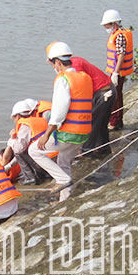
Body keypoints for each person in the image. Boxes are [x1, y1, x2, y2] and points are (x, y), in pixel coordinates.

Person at [29, 42, 93, 201]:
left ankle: (62, 180)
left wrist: (47, 134)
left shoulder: (63, 79)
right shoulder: (84, 77)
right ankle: (64, 200)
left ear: (57, 62)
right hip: (84, 133)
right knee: (63, 161)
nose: (53, 67)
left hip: (68, 134)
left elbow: (59, 111)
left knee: (34, 150)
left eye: (52, 64)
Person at [70, 54, 115, 156]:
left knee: (92, 122)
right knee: (101, 124)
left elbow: (81, 88)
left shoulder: (75, 68)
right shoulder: (76, 60)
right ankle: (104, 148)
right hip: (108, 90)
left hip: (104, 94)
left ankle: (86, 151)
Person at [1, 100, 53, 186]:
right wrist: (9, 166)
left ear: (17, 116)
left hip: (43, 162)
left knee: (18, 151)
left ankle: (30, 178)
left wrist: (13, 138)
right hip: (51, 159)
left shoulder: (25, 126)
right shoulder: (39, 120)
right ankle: (43, 174)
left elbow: (18, 150)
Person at [101, 9, 133, 129]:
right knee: (116, 94)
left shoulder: (120, 36)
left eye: (107, 25)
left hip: (118, 71)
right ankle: (116, 120)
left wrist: (115, 72)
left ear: (114, 24)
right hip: (115, 71)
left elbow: (121, 55)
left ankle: (115, 122)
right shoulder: (116, 34)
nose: (106, 28)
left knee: (115, 96)